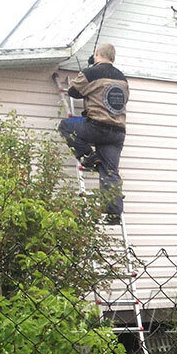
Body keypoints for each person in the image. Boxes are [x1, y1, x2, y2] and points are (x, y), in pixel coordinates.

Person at [58, 43, 129, 224]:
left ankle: (90, 156)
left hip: (97, 127)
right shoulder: (122, 79)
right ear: (112, 57)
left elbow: (74, 92)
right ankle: (114, 215)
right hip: (118, 133)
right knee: (110, 172)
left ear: (97, 54)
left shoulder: (91, 73)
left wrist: (89, 69)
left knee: (66, 126)